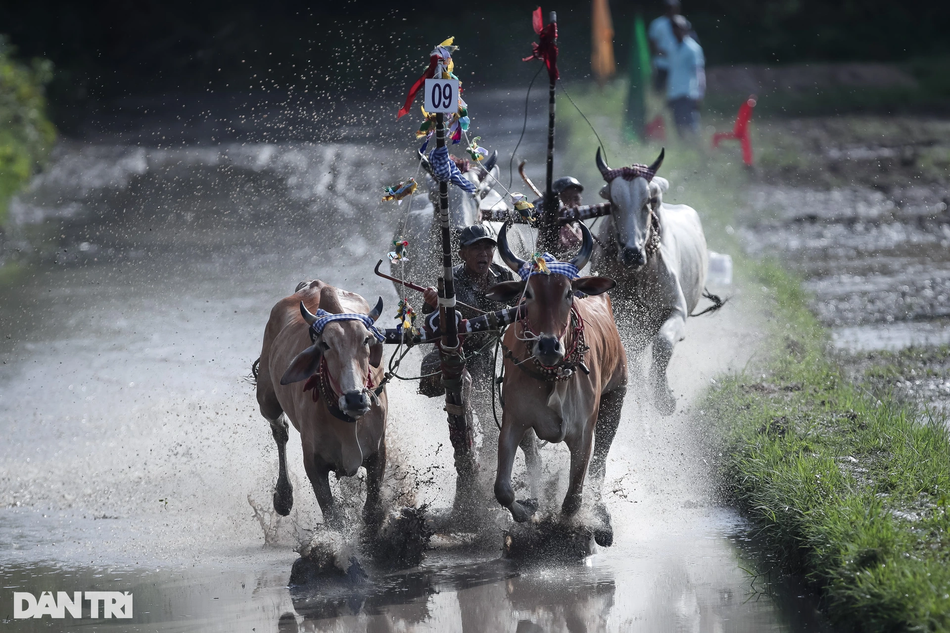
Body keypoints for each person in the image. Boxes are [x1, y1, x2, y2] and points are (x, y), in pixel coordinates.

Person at [419, 225, 515, 456]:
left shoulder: (504, 277)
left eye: (488, 248)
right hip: (456, 349)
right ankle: (462, 444)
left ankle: (492, 453)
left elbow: (521, 306)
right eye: (476, 248)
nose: (483, 253)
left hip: (485, 352)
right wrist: (432, 300)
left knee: (491, 412)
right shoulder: (449, 279)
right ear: (462, 254)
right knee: (433, 373)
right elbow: (431, 317)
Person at [666, 14, 705, 138]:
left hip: (688, 93)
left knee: (690, 125)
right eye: (674, 28)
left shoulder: (692, 48)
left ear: (685, 29)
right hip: (675, 92)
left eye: (679, 28)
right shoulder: (672, 47)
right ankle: (683, 148)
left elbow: (698, 72)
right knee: (678, 126)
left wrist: (700, 93)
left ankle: (694, 147)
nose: (676, 31)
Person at [648, 0, 681, 94]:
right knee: (659, 88)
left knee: (675, 88)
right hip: (662, 62)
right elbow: (652, 42)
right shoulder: (658, 23)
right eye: (669, 8)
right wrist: (659, 52)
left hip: (677, 62)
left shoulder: (682, 22)